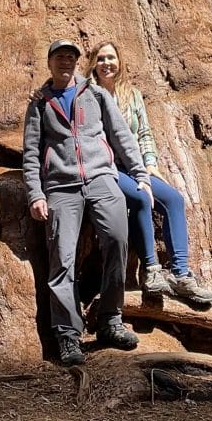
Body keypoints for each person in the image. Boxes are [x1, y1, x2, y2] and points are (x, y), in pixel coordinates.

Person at [22, 36, 148, 366]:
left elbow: (120, 134)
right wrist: (36, 193)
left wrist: (140, 174)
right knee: (61, 259)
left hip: (101, 178)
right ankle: (67, 334)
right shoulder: (39, 103)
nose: (66, 61)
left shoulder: (94, 94)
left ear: (78, 62)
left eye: (71, 57)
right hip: (61, 187)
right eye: (59, 56)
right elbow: (31, 153)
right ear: (49, 62)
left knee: (118, 240)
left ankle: (110, 320)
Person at [86, 41, 212, 311]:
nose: (106, 63)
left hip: (135, 167)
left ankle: (180, 274)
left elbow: (144, 134)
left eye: (111, 58)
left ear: (119, 62)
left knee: (174, 200)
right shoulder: (88, 96)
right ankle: (152, 270)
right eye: (100, 59)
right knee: (142, 198)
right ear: (93, 64)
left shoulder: (132, 95)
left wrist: (151, 164)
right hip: (107, 168)